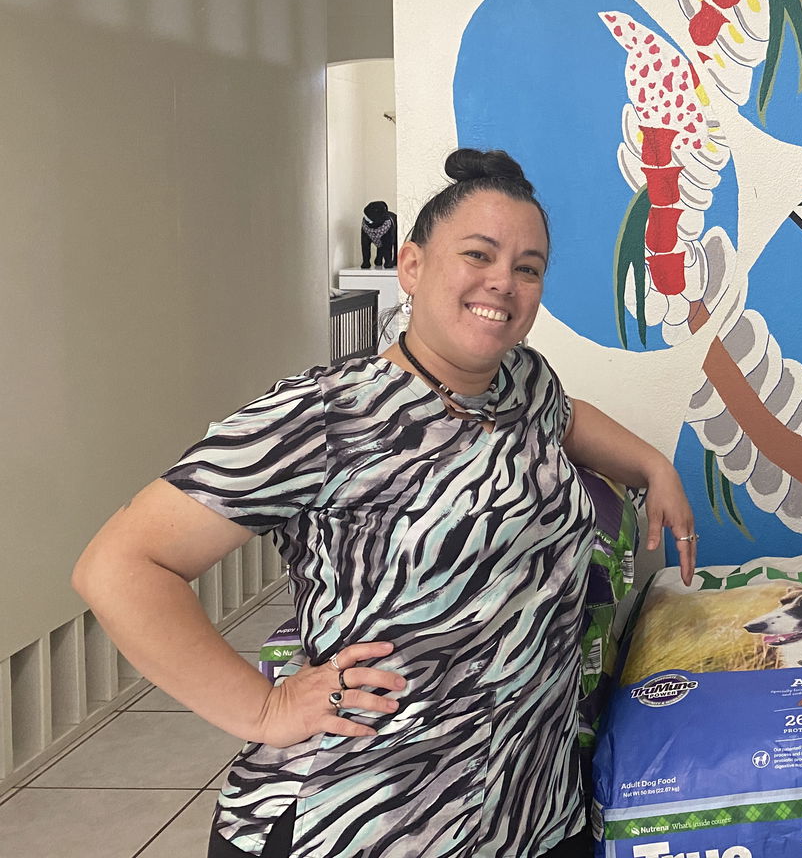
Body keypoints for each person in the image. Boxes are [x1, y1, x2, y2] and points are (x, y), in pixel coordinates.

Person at [74, 148, 696, 858]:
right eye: (478, 254)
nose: (505, 282)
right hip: (368, 819)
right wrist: (266, 705)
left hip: (530, 813)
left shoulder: (521, 383)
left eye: (528, 267)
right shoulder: (327, 415)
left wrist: (653, 466)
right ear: (412, 266)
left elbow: (569, 419)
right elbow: (120, 565)